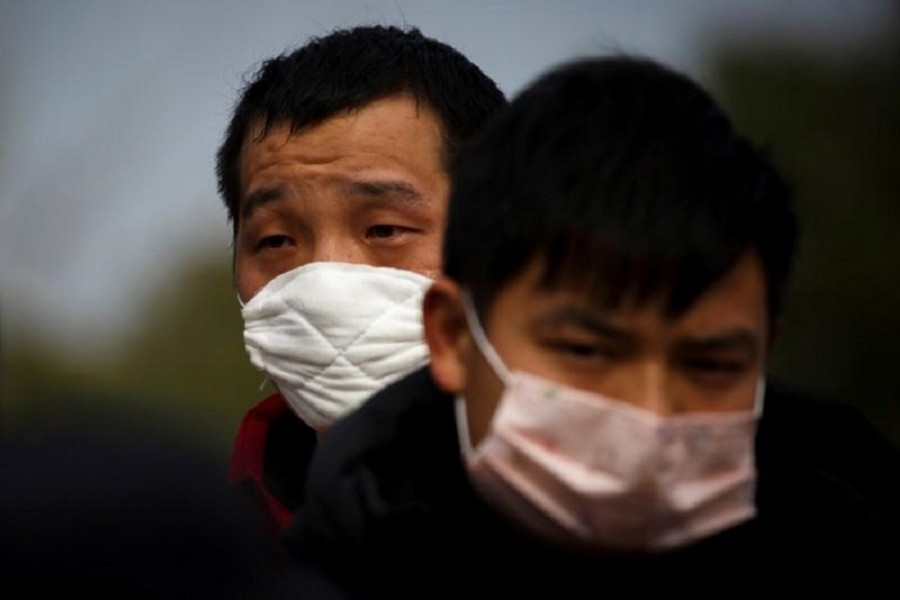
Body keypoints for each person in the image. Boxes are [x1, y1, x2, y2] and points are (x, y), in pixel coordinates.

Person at [283, 56, 900, 594]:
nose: (652, 412)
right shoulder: (311, 575)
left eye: (710, 365)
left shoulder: (851, 542)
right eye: (587, 351)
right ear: (454, 337)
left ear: (765, 352)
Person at [215, 25, 506, 548]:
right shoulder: (205, 553)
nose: (327, 280)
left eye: (385, 230)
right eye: (278, 240)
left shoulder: (618, 529)